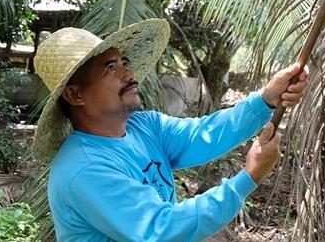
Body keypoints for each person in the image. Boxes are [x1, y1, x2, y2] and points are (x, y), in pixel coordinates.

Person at [30, 18, 308, 241]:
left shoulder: (143, 126)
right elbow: (162, 230)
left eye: (124, 63)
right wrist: (249, 177)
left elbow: (204, 135)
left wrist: (265, 100)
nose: (128, 74)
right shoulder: (84, 168)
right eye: (110, 68)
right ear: (75, 95)